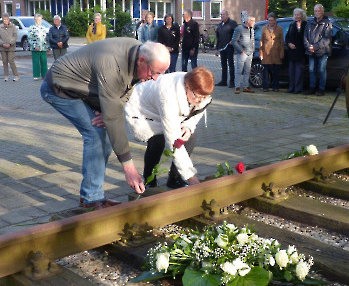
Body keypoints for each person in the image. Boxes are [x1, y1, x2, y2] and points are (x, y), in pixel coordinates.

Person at [40, 39, 170, 210]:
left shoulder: (140, 53)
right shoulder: (113, 63)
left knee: (106, 131)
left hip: (88, 89)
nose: (154, 79)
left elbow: (125, 90)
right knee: (96, 134)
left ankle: (91, 195)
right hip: (59, 88)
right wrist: (129, 168)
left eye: (160, 74)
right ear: (142, 61)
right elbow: (114, 118)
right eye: (154, 72)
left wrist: (108, 112)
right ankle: (91, 199)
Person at [124, 67, 214, 189]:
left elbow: (198, 110)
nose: (200, 100)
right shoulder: (168, 93)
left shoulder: (199, 93)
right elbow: (172, 138)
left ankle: (175, 178)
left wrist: (188, 126)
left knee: (189, 137)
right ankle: (149, 179)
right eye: (197, 96)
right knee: (158, 139)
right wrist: (191, 176)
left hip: (165, 110)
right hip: (142, 110)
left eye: (204, 97)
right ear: (187, 86)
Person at [304, 4, 332, 96]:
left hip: (322, 51)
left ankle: (321, 89)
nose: (317, 12)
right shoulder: (310, 23)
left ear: (322, 11)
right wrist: (308, 46)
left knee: (321, 70)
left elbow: (326, 39)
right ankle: (312, 87)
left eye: (318, 11)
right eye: (315, 11)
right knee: (311, 70)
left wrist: (315, 47)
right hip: (311, 51)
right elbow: (305, 36)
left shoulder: (327, 23)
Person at [259, 12, 284, 92]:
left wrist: (281, 53)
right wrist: (261, 53)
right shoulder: (264, 29)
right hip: (266, 52)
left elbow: (281, 42)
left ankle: (275, 87)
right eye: (269, 20)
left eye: (272, 20)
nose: (270, 22)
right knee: (265, 71)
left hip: (276, 52)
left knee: (276, 71)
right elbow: (261, 41)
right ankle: (265, 87)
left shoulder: (279, 29)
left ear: (275, 20)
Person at [231, 15, 256, 94]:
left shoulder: (252, 29)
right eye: (253, 21)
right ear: (248, 21)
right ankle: (237, 86)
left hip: (250, 52)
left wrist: (253, 49)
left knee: (247, 70)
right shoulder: (239, 29)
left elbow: (252, 40)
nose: (254, 23)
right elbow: (234, 41)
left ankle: (246, 86)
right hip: (242, 53)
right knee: (239, 70)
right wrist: (241, 51)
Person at [285, 8, 308, 94]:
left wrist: (299, 28)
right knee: (291, 71)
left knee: (299, 72)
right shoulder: (291, 25)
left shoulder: (305, 25)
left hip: (300, 52)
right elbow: (287, 37)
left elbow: (303, 38)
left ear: (302, 16)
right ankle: (291, 87)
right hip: (291, 52)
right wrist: (289, 44)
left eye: (298, 14)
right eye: (295, 15)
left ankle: (298, 88)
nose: (296, 16)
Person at [215, 10, 238, 88]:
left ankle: (232, 82)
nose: (222, 16)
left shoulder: (232, 23)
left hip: (229, 47)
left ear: (227, 15)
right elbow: (218, 37)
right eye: (221, 14)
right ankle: (223, 81)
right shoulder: (220, 25)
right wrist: (216, 48)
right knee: (223, 65)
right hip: (222, 47)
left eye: (223, 14)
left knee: (231, 64)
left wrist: (233, 41)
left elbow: (237, 33)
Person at [28, 13, 50, 81]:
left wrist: (48, 47)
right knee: (36, 62)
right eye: (37, 19)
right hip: (35, 49)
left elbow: (47, 38)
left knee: (44, 62)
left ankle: (44, 75)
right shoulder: (31, 28)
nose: (39, 20)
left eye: (40, 19)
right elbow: (30, 38)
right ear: (35, 19)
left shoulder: (44, 28)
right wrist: (35, 46)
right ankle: (36, 75)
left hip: (43, 48)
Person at [0, 13, 19, 82]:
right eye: (4, 19)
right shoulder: (0, 27)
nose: (5, 20)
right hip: (2, 47)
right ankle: (6, 76)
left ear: (9, 19)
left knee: (11, 60)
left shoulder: (13, 26)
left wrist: (10, 43)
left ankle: (16, 75)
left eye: (7, 19)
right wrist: (3, 44)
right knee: (4, 61)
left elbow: (15, 36)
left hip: (11, 47)